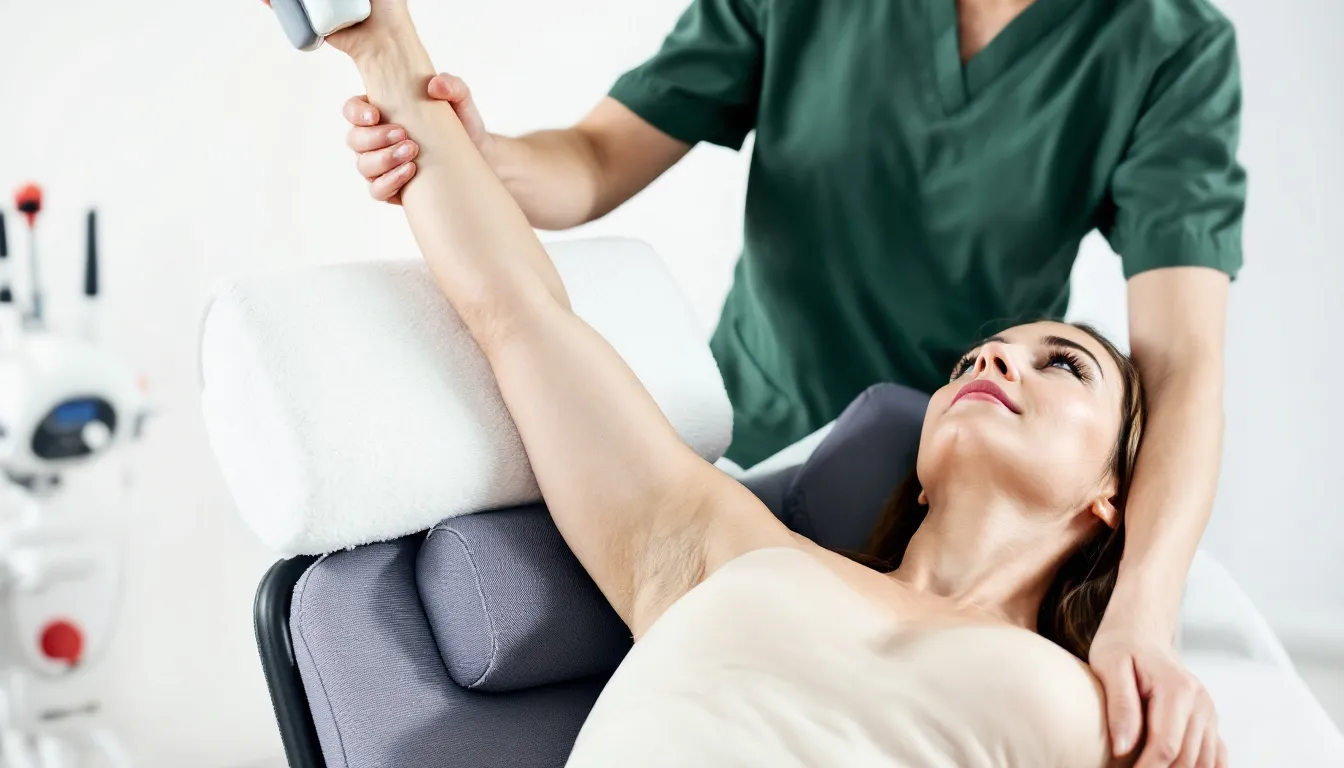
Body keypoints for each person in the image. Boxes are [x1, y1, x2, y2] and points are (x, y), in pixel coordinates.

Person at [274, 2, 1227, 765]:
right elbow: (519, 314)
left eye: (1063, 364)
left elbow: (1186, 365)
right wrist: (385, 49)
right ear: (921, 465)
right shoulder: (716, 543)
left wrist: (1144, 618)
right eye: (973, 359)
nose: (994, 359)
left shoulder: (1108, 716)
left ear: (1117, 492)